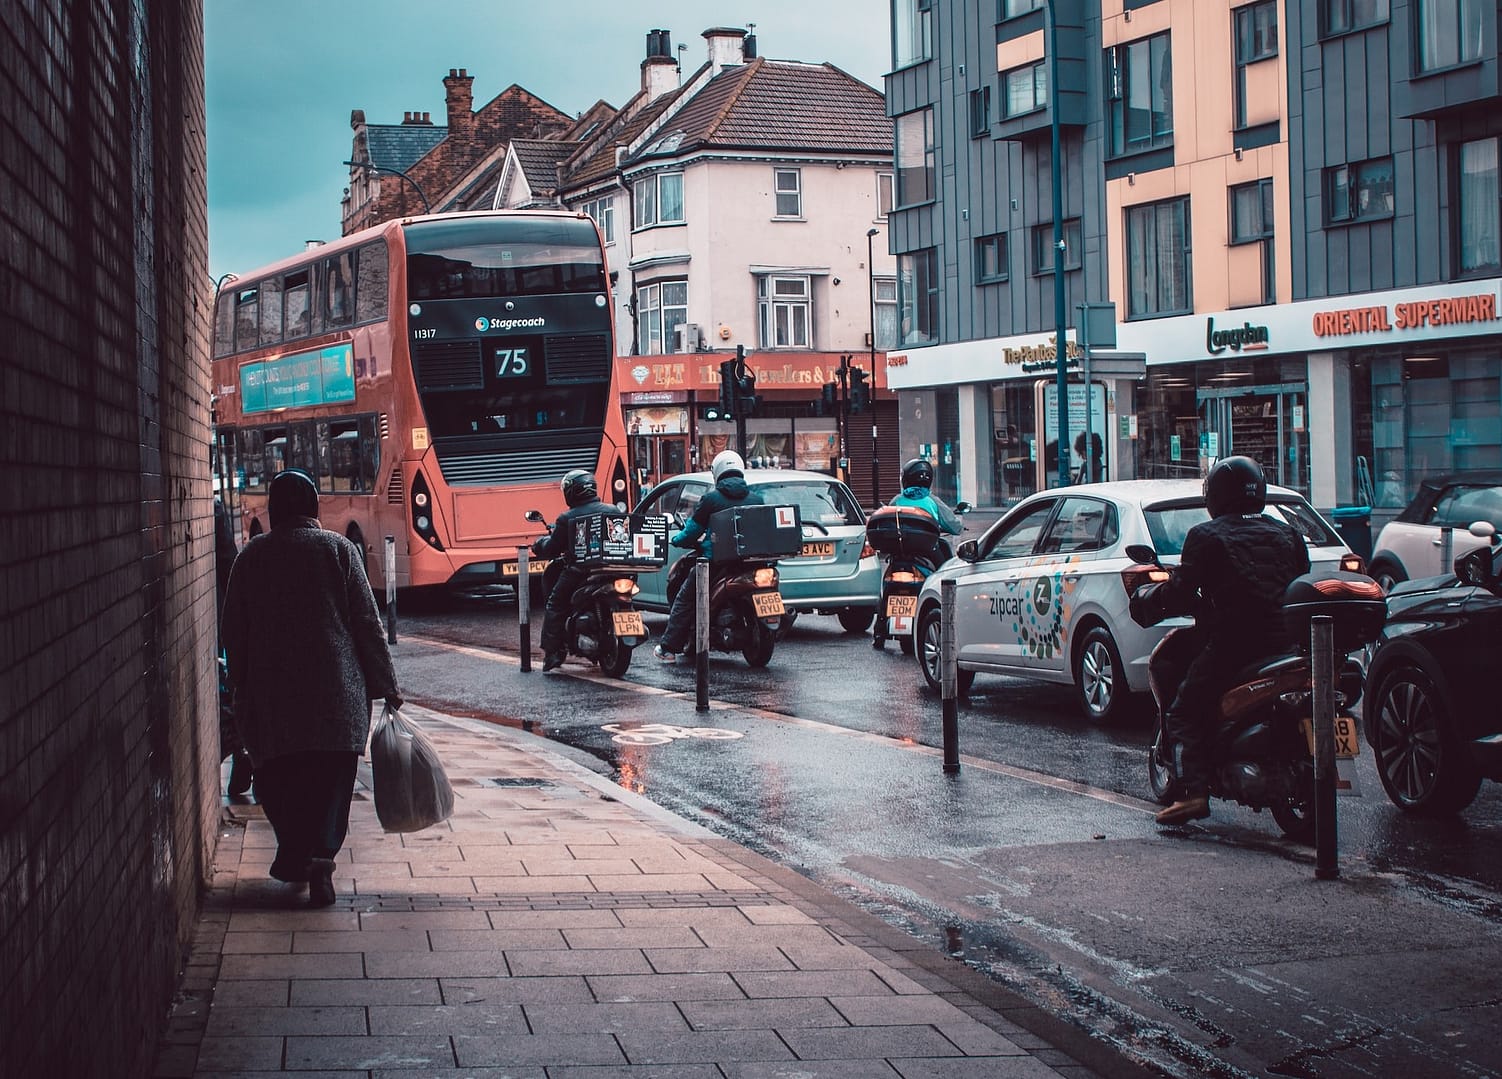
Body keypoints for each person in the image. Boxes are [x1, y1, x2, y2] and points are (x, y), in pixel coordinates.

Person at [220, 469, 401, 907]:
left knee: (280, 778)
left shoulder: (252, 558)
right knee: (332, 782)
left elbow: (233, 631)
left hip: (274, 699)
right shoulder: (338, 550)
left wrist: (240, 683)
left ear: (275, 508)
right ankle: (322, 856)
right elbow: (366, 625)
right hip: (336, 697)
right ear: (314, 506)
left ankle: (297, 851)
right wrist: (386, 685)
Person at [1142, 456, 1309, 826]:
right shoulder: (1288, 533)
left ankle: (1194, 792)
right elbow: (1299, 577)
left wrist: (1153, 599)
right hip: (1287, 643)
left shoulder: (1207, 536)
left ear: (1215, 495)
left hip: (1234, 645)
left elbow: (1182, 591)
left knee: (1183, 711)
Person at [654, 450, 763, 662]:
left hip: (716, 564)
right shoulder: (757, 498)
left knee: (684, 598)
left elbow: (692, 531)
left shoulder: (711, 499)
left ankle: (668, 648)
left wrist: (676, 540)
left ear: (718, 472)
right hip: (750, 564)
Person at [874, 458, 965, 649]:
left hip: (900, 555)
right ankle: (946, 611)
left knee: (885, 589)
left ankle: (879, 631)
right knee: (946, 575)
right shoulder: (933, 501)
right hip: (927, 554)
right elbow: (955, 526)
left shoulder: (897, 500)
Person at [531, 469, 616, 671]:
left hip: (580, 571)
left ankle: (553, 652)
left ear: (571, 492)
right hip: (613, 569)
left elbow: (552, 547)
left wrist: (539, 544)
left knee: (556, 603)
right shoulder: (613, 510)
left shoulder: (567, 517)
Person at [214, 497, 253, 797]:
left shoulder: (256, 554)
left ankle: (242, 752)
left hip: (219, 629)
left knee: (230, 694)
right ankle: (244, 753)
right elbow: (228, 565)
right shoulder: (214, 511)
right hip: (220, 626)